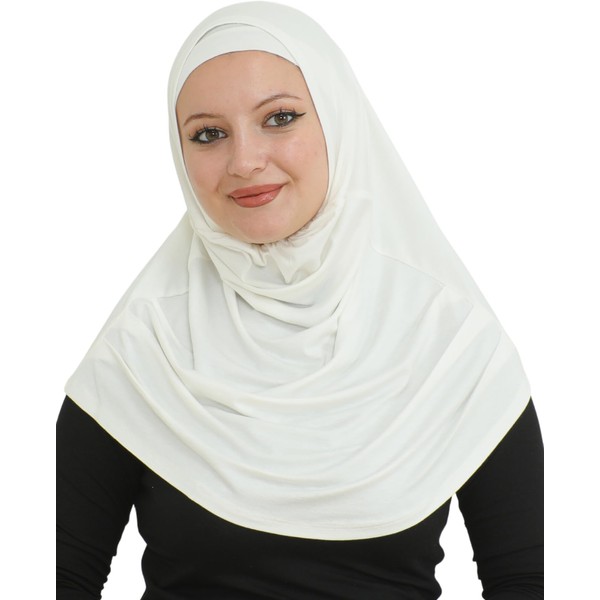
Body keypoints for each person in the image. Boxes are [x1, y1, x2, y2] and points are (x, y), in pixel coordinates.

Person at [56, 2, 543, 598]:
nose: (244, 161)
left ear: (339, 121)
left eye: (280, 118)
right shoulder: (143, 346)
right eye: (208, 134)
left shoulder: (449, 336)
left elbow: (525, 579)